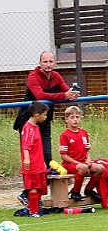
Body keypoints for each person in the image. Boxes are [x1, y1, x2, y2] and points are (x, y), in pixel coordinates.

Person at [13, 51, 80, 206]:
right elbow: (40, 95)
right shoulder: (33, 77)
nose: (48, 64)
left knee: (48, 158)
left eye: (51, 61)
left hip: (45, 120)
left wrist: (72, 94)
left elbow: (65, 91)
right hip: (28, 121)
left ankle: (32, 193)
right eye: (45, 62)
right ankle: (29, 193)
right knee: (32, 159)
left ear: (55, 63)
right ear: (40, 63)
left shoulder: (56, 76)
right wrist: (64, 95)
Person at [60, 106, 104, 202]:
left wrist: (88, 160)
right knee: (83, 168)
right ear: (66, 120)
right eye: (72, 117)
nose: (75, 120)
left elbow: (87, 150)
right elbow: (64, 155)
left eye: (77, 117)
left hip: (82, 163)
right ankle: (75, 192)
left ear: (80, 118)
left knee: (100, 168)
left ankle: (89, 190)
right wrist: (77, 163)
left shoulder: (84, 133)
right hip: (69, 164)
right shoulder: (65, 135)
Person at [20, 101, 49, 217]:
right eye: (45, 115)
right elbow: (26, 145)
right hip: (32, 165)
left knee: (42, 188)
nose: (46, 117)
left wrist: (42, 162)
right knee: (34, 188)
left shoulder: (35, 127)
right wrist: (26, 159)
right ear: (37, 115)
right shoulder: (28, 128)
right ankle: (34, 211)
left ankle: (31, 207)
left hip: (38, 164)